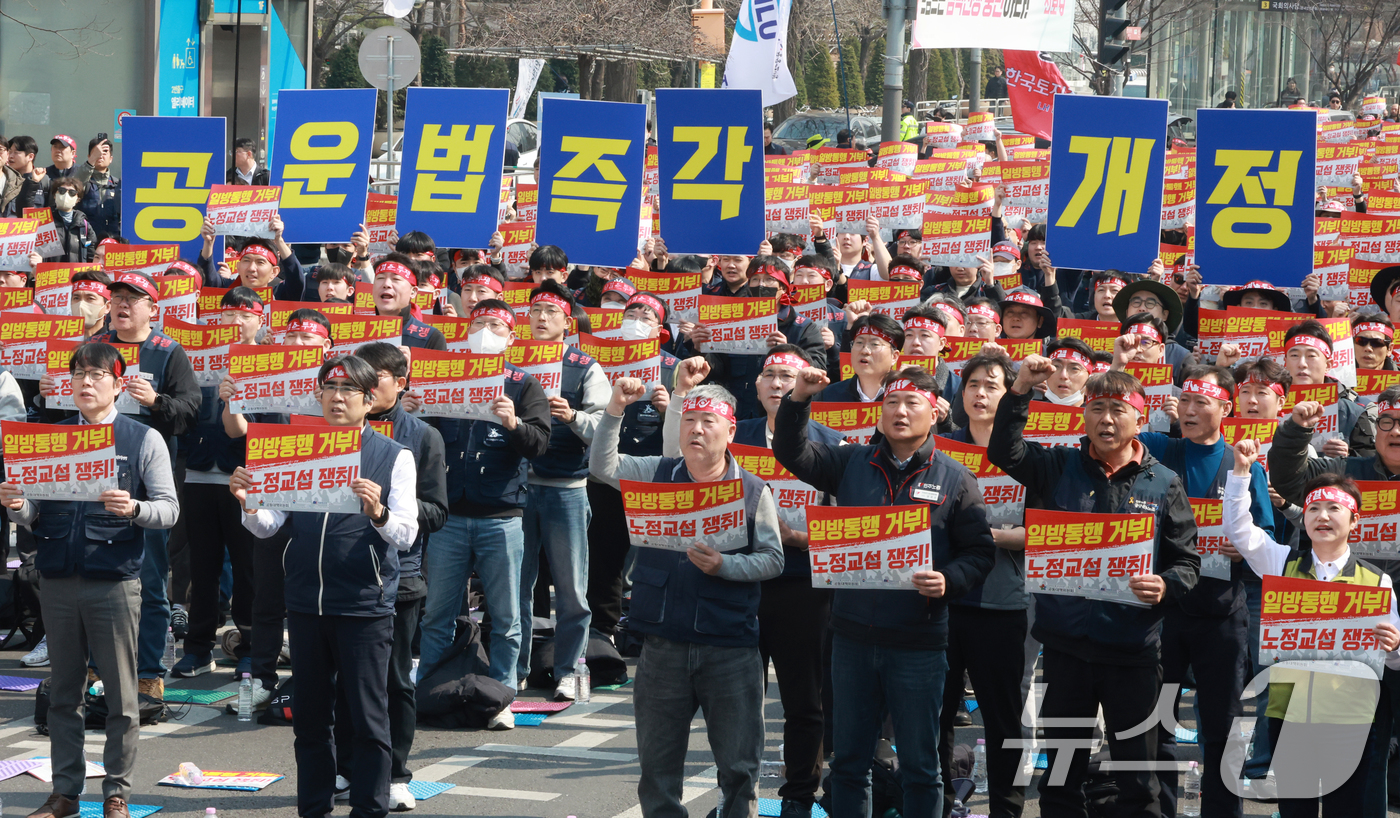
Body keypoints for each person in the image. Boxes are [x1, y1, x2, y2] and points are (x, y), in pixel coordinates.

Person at [775, 363, 996, 817]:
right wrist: (798, 400)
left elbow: (979, 553)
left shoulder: (955, 478)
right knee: (849, 763)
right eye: (891, 402)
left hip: (918, 643)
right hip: (851, 638)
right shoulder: (851, 462)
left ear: (935, 413)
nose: (900, 411)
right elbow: (791, 452)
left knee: (921, 767)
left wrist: (948, 579)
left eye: (912, 402)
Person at [988, 362, 1200, 817]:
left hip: (1133, 652)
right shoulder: (1057, 465)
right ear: (1083, 416)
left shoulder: (1163, 482)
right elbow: (1004, 451)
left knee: (1138, 778)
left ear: (1139, 420)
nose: (1106, 419)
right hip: (1066, 649)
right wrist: (1020, 389)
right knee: (1062, 774)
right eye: (1097, 408)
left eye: (1117, 410)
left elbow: (1187, 561)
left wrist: (1164, 584)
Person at [232, 355, 417, 818]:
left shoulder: (394, 455)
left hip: (363, 605)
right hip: (305, 603)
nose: (337, 398)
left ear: (369, 400)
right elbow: (270, 525)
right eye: (329, 389)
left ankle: (369, 809)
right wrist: (248, 504)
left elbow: (407, 534)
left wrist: (378, 514)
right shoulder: (298, 447)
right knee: (311, 721)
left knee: (369, 719)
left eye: (348, 390)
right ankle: (313, 808)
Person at [2, 341, 180, 818]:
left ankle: (116, 793)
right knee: (64, 694)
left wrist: (135, 508)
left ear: (119, 385)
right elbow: (34, 511)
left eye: (98, 375)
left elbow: (169, 509)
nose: (86, 382)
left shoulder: (142, 439)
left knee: (122, 697)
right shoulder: (51, 439)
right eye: (79, 373)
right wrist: (18, 506)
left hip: (114, 581)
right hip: (59, 577)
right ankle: (65, 794)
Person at [591, 379, 784, 818]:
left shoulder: (753, 489)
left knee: (739, 767)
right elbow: (603, 466)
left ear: (730, 431)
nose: (696, 429)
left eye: (708, 421)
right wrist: (615, 409)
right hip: (662, 644)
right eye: (689, 420)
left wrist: (725, 566)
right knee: (657, 768)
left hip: (730, 645)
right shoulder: (657, 473)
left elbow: (773, 559)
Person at [663, 347, 841, 816]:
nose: (778, 383)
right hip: (733, 579)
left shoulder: (831, 444)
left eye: (788, 376)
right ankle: (737, 798)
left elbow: (849, 528)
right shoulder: (730, 435)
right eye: (770, 375)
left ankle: (799, 794)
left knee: (804, 699)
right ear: (756, 386)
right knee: (738, 703)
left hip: (801, 584)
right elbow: (677, 468)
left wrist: (797, 537)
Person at [1223, 441, 1400, 816]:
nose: (1323, 516)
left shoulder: (1376, 582)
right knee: (1295, 807)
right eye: (1314, 508)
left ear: (1354, 521)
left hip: (1351, 718)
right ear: (1303, 518)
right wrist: (1240, 473)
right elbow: (1239, 531)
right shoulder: (1281, 563)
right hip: (1290, 713)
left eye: (1335, 508)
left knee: (1346, 808)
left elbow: (1394, 660)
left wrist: (1395, 646)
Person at [1139, 365, 1275, 818]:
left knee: (1223, 726)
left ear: (1225, 408)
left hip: (1221, 614)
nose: (1190, 410)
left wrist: (1243, 548)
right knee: (1157, 721)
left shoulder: (1243, 464)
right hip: (1162, 610)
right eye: (1185, 401)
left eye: (1202, 402)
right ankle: (1159, 809)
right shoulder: (1159, 449)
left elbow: (1264, 536)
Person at [414, 301, 551, 727]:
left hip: (501, 518)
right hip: (450, 517)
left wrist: (514, 425)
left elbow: (539, 444)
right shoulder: (445, 375)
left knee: (506, 616)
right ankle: (430, 693)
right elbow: (416, 439)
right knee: (437, 615)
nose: (485, 331)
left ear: (511, 337)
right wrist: (411, 409)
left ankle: (502, 696)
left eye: (495, 325)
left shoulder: (524, 385)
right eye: (478, 324)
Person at [328, 342, 447, 812]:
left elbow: (436, 511)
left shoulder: (420, 436)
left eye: (373, 377)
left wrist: (390, 502)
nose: (359, 386)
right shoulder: (326, 433)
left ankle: (396, 773)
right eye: (350, 379)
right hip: (338, 577)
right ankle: (345, 767)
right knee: (343, 682)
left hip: (397, 576)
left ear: (399, 383)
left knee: (393, 681)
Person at [90, 272, 202, 699]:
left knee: (151, 580)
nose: (122, 305)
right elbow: (67, 406)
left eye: (132, 299)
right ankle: (95, 669)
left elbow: (190, 412)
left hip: (147, 481)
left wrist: (155, 402)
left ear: (153, 308)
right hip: (94, 475)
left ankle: (149, 672)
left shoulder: (167, 351)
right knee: (94, 576)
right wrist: (48, 392)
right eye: (117, 297)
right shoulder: (95, 347)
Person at [936, 347, 1033, 818]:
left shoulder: (1025, 454)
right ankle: (938, 802)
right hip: (942, 598)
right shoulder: (939, 448)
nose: (979, 393)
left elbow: (1046, 532)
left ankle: (1006, 809)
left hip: (1002, 601)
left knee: (1001, 717)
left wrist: (987, 536)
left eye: (991, 385)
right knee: (937, 712)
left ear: (1009, 394)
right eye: (972, 384)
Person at [516, 281, 609, 700]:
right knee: (516, 586)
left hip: (566, 488)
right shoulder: (511, 361)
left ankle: (571, 668)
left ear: (568, 323)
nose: (541, 318)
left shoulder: (584, 366)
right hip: (517, 488)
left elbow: (604, 429)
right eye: (535, 310)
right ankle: (515, 667)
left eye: (551, 312)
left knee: (571, 588)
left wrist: (572, 417)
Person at [171, 288, 265, 681]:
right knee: (202, 565)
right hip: (197, 471)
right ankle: (197, 647)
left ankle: (251, 646)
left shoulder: (270, 363)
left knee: (247, 567)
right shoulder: (197, 356)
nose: (236, 322)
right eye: (228, 314)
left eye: (245, 315)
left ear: (260, 320)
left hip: (244, 476)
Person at [585, 292, 679, 643]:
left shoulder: (674, 367)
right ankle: (603, 631)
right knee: (604, 557)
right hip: (607, 471)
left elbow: (687, 430)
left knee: (651, 556)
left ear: (660, 329)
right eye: (631, 314)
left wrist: (670, 408)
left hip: (653, 474)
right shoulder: (600, 360)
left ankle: (644, 628)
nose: (636, 321)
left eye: (646, 316)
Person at [817, 313, 902, 403]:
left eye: (874, 344)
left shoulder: (905, 395)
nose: (864, 351)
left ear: (894, 356)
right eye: (859, 343)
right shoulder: (829, 395)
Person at [75, 134, 120, 238]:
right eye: (96, 152)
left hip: (113, 240)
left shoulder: (117, 184)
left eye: (105, 152)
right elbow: (74, 186)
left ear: (111, 158)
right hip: (87, 239)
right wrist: (91, 161)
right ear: (89, 156)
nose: (100, 155)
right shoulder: (83, 180)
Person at [44, 176, 94, 263]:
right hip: (50, 270)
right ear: (54, 195)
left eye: (72, 192)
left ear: (78, 199)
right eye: (61, 191)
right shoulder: (44, 221)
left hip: (75, 270)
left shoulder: (84, 224)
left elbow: (91, 253)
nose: (66, 195)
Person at [4, 135, 47, 216]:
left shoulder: (44, 180)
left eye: (16, 152)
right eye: (9, 152)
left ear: (30, 157)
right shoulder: (5, 178)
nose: (11, 156)